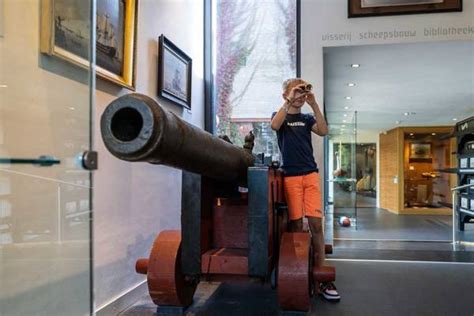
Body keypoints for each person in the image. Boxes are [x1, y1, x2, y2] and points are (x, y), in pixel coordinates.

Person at [271, 78, 340, 302]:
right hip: (290, 176)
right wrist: (289, 100)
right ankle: (297, 270)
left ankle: (323, 277)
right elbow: (274, 126)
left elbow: (324, 130)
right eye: (297, 92)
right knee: (296, 225)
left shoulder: (307, 118)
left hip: (310, 174)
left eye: (304, 91)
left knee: (316, 224)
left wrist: (314, 104)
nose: (301, 95)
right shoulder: (279, 115)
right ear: (285, 95)